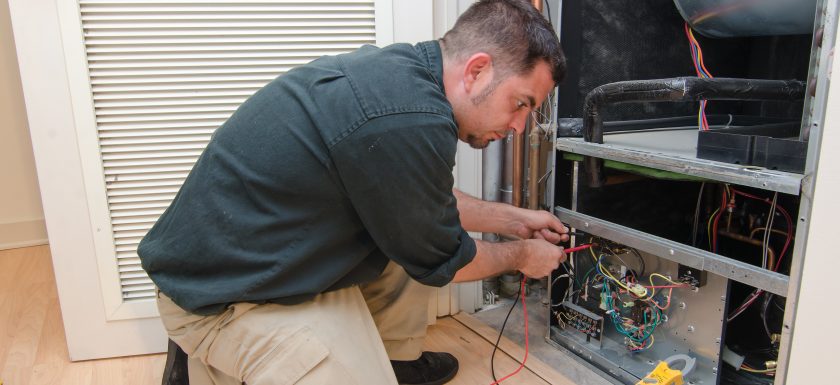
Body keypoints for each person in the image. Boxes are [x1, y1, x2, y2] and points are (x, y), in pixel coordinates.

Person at [138, 0, 568, 384]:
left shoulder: (406, 74)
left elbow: (421, 202)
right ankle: (203, 360)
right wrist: (522, 256)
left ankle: (396, 360)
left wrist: (516, 220)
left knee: (412, 234)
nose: (519, 127)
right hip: (220, 297)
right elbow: (448, 260)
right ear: (476, 71)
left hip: (254, 253)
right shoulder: (409, 120)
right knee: (426, 256)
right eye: (521, 103)